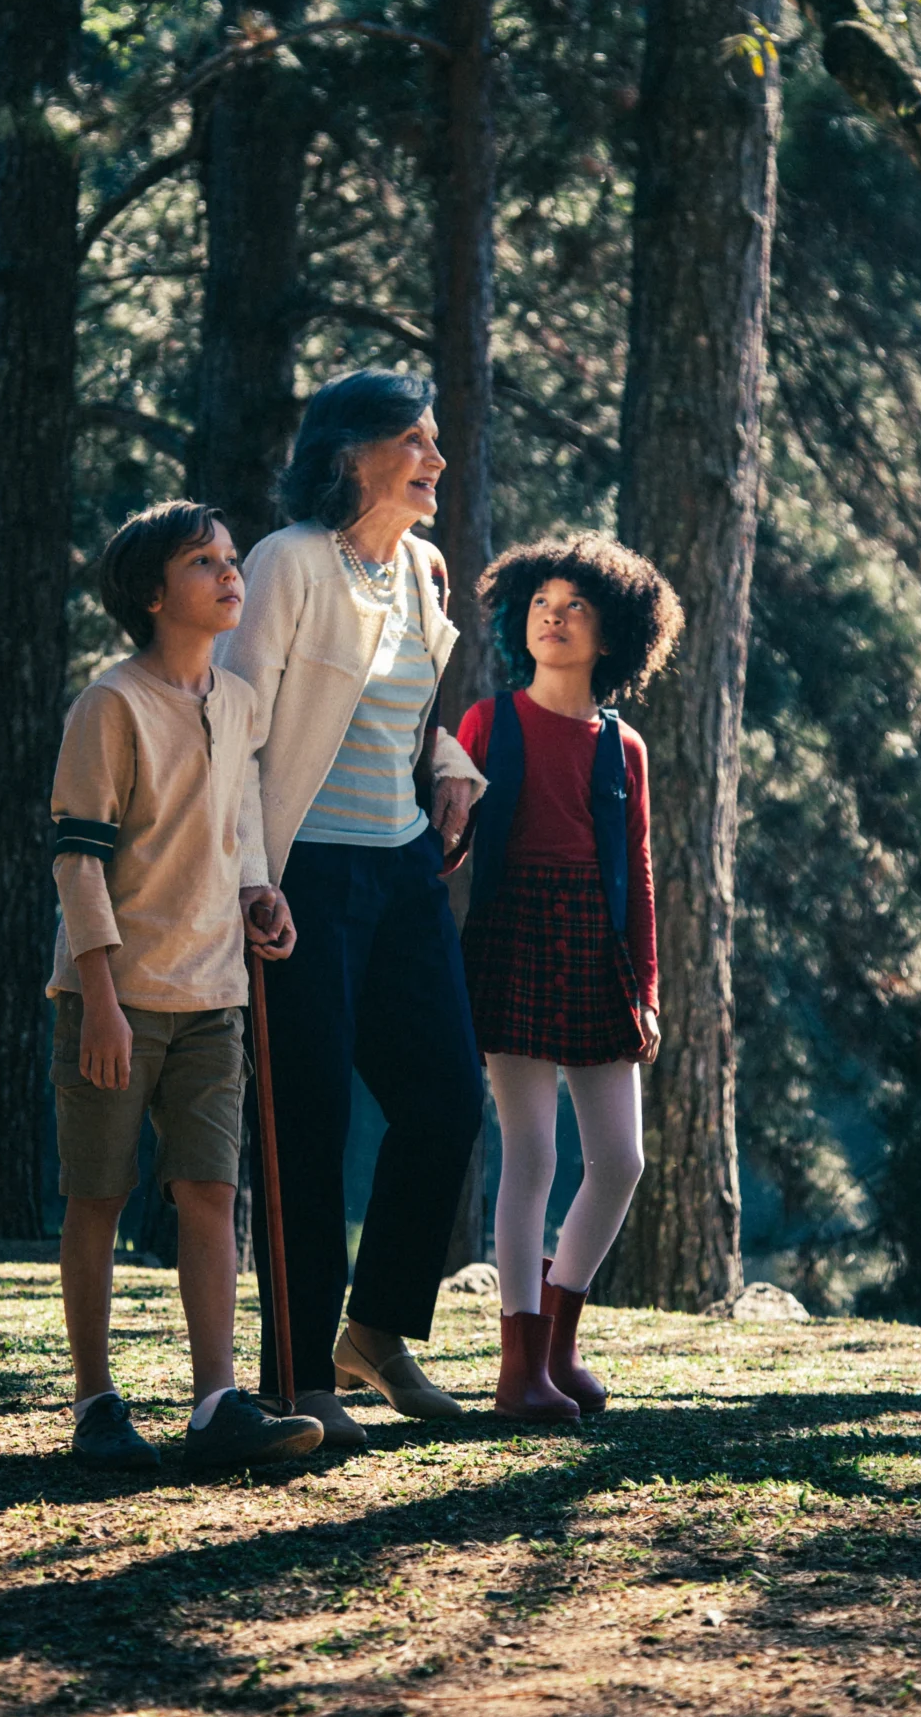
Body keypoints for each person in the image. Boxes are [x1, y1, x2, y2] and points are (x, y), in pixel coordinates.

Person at [216, 370, 489, 1452]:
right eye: (414, 441)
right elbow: (234, 733)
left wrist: (455, 763)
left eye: (434, 439)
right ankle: (294, 1378)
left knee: (444, 1100)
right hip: (305, 877)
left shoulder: (420, 569)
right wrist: (248, 874)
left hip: (402, 866)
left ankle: (373, 1331)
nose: (435, 460)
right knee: (307, 1120)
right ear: (347, 454)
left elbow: (405, 710)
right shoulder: (286, 563)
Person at [49, 498, 324, 1475]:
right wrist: (102, 997)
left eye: (230, 556)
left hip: (217, 999)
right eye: (205, 561)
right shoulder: (110, 704)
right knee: (100, 1197)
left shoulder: (240, 702)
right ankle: (96, 1404)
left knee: (211, 1190)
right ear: (154, 593)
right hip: (114, 1001)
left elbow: (241, 820)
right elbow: (78, 860)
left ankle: (218, 1404)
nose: (229, 572)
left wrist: (261, 896)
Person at [456, 534, 684, 1421]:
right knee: (532, 1154)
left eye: (575, 605)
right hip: (510, 941)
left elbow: (639, 870)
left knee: (619, 1159)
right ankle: (518, 1369)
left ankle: (557, 1346)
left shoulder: (623, 747)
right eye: (541, 603)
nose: (553, 616)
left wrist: (648, 992)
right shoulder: (488, 722)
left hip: (596, 952)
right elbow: (451, 842)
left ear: (611, 632)